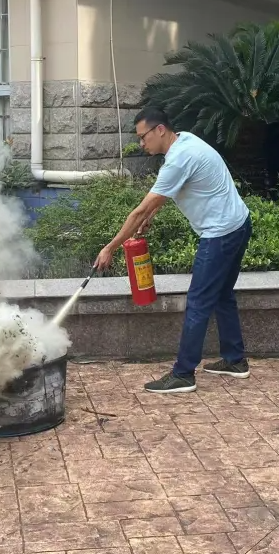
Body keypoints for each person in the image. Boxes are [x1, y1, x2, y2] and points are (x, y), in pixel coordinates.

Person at [94, 107, 253, 394]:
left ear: (160, 130)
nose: (141, 144)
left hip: (220, 234)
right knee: (222, 295)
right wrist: (152, 214)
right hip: (239, 223)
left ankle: (183, 374)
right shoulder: (186, 140)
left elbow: (139, 210)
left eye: (143, 137)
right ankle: (235, 360)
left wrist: (109, 248)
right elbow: (169, 193)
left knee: (198, 301)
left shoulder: (178, 160)